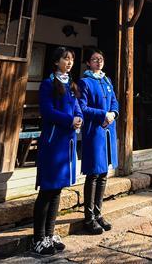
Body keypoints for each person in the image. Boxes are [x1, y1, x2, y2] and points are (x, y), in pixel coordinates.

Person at [33, 47, 83, 256]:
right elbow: (47, 111)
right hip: (53, 141)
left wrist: (79, 118)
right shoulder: (47, 84)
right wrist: (69, 120)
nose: (69, 62)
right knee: (47, 190)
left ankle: (50, 234)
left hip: (68, 141)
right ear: (56, 62)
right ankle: (38, 238)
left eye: (71, 59)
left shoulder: (71, 84)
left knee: (58, 190)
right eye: (65, 58)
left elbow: (78, 106)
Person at [78, 49, 119, 235]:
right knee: (93, 173)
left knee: (103, 173)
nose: (99, 62)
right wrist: (103, 114)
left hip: (108, 129)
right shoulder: (85, 82)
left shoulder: (107, 80)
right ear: (88, 63)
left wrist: (113, 114)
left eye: (101, 59)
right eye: (95, 59)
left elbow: (115, 102)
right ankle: (88, 218)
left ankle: (98, 213)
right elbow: (82, 107)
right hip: (94, 131)